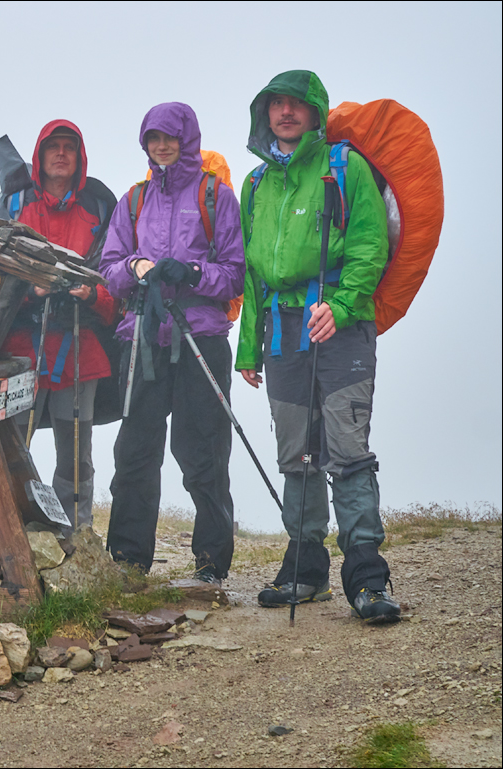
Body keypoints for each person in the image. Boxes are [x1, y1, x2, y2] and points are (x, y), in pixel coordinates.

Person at [236, 70, 399, 623]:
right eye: (276, 105)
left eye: (296, 105)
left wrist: (346, 303)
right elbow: (253, 274)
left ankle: (366, 576)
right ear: (266, 116)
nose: (285, 113)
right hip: (282, 336)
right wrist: (247, 348)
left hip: (341, 331)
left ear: (314, 112)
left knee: (348, 452)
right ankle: (305, 570)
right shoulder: (255, 184)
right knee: (297, 457)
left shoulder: (344, 167)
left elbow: (368, 246)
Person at [99, 103, 244, 581]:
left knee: (203, 449)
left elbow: (236, 273)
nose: (161, 146)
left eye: (169, 137)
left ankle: (210, 565)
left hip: (200, 336)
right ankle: (127, 561)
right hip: (143, 337)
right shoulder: (133, 200)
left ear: (187, 139)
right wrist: (137, 269)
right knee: (136, 451)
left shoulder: (215, 196)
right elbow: (109, 268)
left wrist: (194, 273)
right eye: (152, 138)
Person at [0, 120, 118, 531]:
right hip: (18, 349)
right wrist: (27, 290)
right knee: (12, 442)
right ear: (40, 157)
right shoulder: (15, 206)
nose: (61, 154)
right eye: (54, 148)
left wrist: (93, 294)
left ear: (79, 157)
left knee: (75, 451)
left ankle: (72, 536)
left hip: (79, 347)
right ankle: (10, 526)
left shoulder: (99, 210)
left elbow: (113, 279)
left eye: (70, 147)